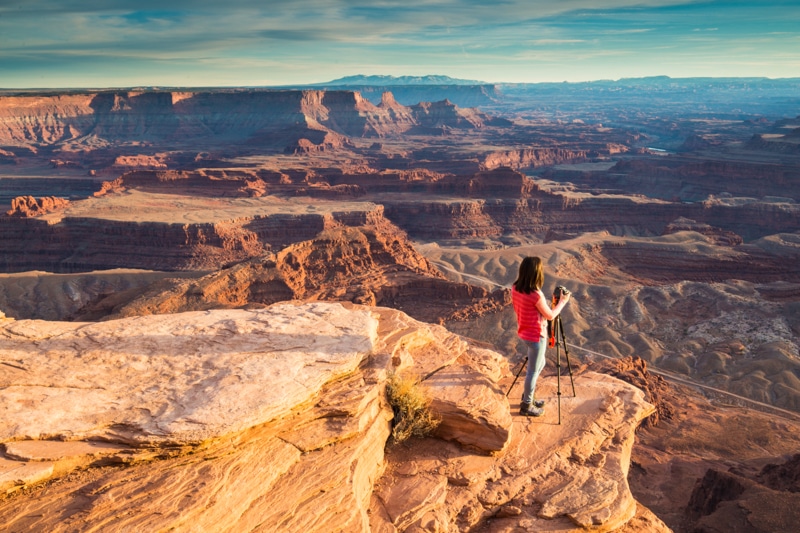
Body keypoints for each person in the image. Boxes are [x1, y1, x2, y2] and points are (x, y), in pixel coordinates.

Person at [511, 256, 570, 417]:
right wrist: (562, 302)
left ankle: (527, 395)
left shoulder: (515, 288)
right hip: (537, 336)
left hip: (524, 333)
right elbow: (550, 316)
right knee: (532, 371)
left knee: (539, 364)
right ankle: (526, 405)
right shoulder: (536, 294)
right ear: (537, 273)